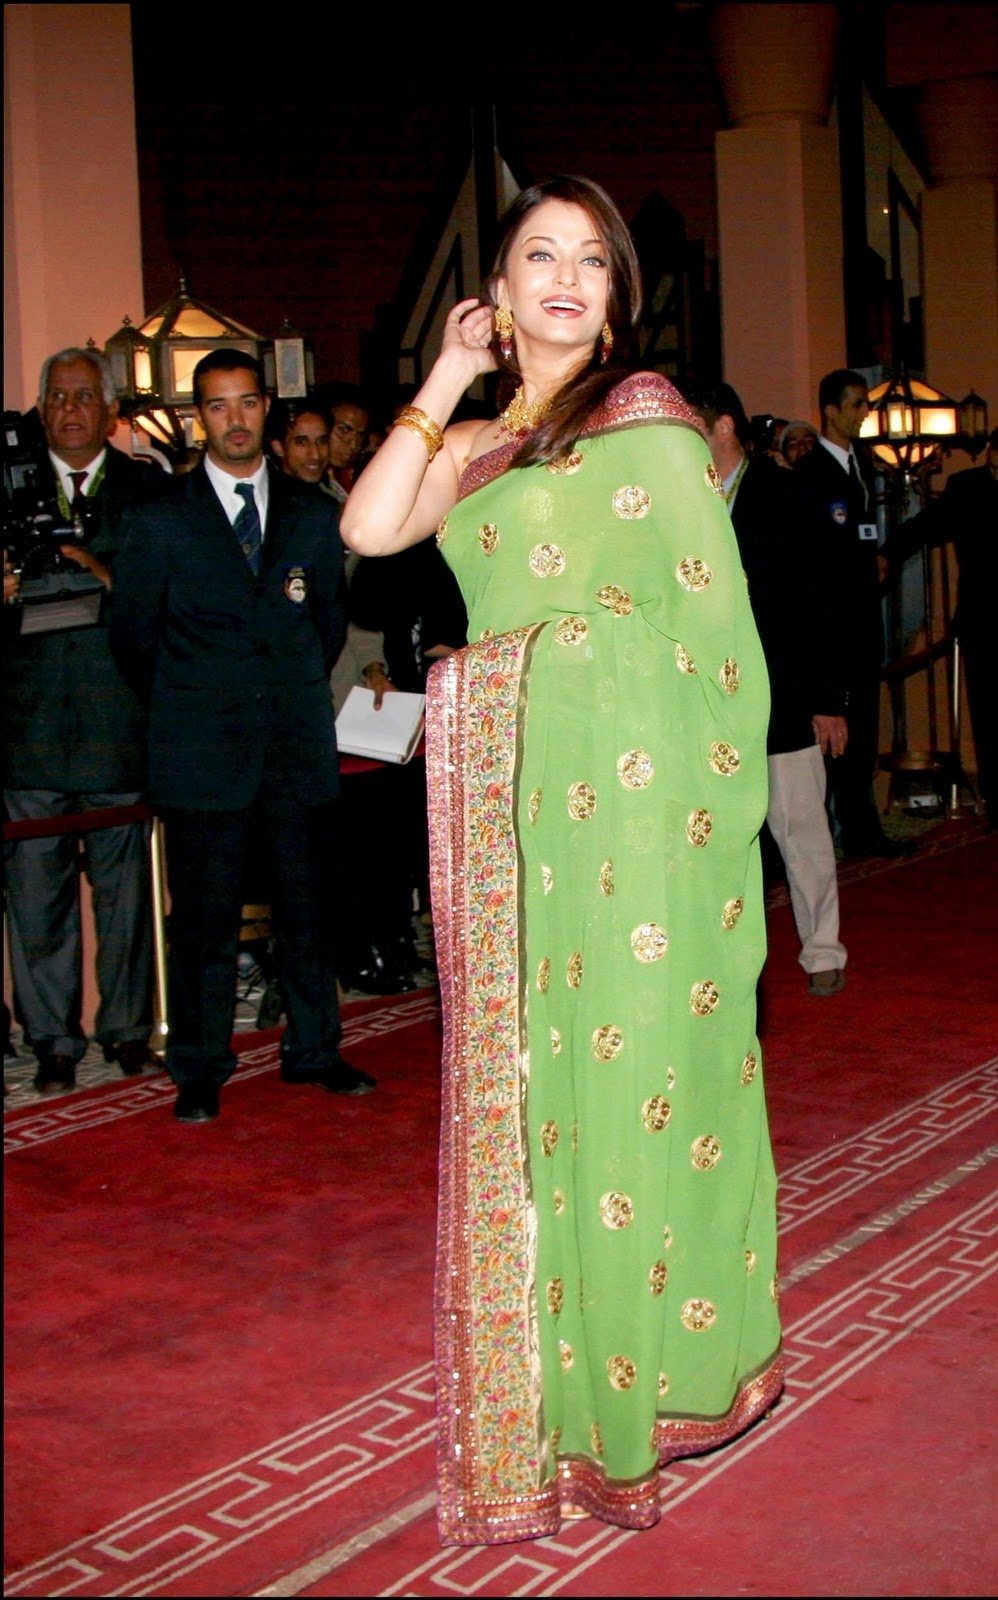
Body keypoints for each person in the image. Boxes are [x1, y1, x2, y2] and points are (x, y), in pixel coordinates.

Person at [343, 175, 783, 1544]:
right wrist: (445, 375)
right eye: (539, 255)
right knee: (546, 1098)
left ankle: (651, 1386)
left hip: (641, 820)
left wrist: (581, 690)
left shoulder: (643, 425)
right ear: (496, 283)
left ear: (617, 294)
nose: (565, 279)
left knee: (635, 1072)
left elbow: (714, 635)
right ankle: (564, 1382)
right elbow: (366, 530)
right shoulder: (474, 445)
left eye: (591, 261)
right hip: (525, 819)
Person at [111, 350, 375, 1123]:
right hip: (201, 748)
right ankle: (199, 1065)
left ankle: (314, 1051)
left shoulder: (311, 515)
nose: (235, 420)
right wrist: (203, 698)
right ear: (201, 418)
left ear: (268, 408)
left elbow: (327, 625)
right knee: (205, 918)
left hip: (292, 742)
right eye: (218, 407)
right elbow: (133, 637)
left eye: (246, 404)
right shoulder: (161, 519)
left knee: (306, 908)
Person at [3, 348, 165, 1090]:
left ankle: (128, 1030)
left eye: (82, 397)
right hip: (26, 728)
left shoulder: (146, 489)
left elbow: (171, 600)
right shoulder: (10, 489)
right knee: (36, 901)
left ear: (108, 411)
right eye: (56, 398)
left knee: (125, 895)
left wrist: (104, 574)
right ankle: (52, 1042)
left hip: (116, 722)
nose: (68, 410)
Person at [687, 382, 847, 996]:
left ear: (723, 426)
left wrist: (828, 700)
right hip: (704, 697)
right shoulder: (681, 500)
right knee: (717, 836)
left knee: (799, 827)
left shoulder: (784, 493)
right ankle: (725, 958)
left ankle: (823, 949)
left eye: (689, 425)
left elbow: (818, 603)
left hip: (782, 693)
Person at [789, 369, 910, 858]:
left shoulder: (859, 464)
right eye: (856, 404)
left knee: (862, 726)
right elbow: (818, 558)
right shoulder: (812, 471)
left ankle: (862, 826)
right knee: (838, 731)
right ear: (832, 410)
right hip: (833, 624)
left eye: (866, 405)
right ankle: (850, 826)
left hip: (860, 620)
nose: (864, 414)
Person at [882, 426, 998, 829]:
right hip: (982, 618)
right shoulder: (967, 487)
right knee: (987, 713)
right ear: (990, 456)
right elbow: (927, 525)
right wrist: (888, 553)